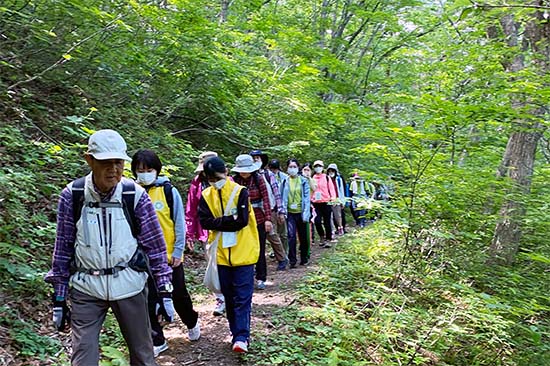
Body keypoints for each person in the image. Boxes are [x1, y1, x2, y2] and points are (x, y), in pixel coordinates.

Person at [45, 129, 175, 365]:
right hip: (86, 288)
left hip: (130, 284)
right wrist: (59, 297)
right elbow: (63, 248)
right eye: (106, 162)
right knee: (82, 358)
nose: (113, 169)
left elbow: (155, 247)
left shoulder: (134, 195)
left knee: (143, 355)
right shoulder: (73, 195)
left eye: (118, 162)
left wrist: (165, 291)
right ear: (89, 160)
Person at [131, 149, 201, 358]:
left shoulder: (168, 192)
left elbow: (179, 223)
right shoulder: (131, 192)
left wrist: (178, 250)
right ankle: (158, 338)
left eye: (148, 169)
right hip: (143, 258)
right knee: (149, 299)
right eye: (140, 170)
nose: (144, 173)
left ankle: (191, 320)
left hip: (169, 256)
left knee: (178, 294)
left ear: (157, 170)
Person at [198, 157, 260, 353]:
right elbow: (204, 221)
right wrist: (227, 220)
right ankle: (236, 334)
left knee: (242, 296)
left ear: (225, 172)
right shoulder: (206, 195)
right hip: (221, 256)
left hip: (244, 253)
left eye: (216, 177)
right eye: (210, 178)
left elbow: (241, 221)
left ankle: (242, 337)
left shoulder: (240, 191)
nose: (214, 181)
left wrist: (218, 221)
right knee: (229, 297)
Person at [186, 151, 226, 316]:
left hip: (226, 229)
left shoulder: (227, 182)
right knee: (212, 264)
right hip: (206, 231)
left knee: (227, 263)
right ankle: (220, 298)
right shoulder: (197, 183)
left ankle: (231, 294)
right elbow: (191, 209)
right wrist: (189, 233)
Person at [232, 154, 272, 290]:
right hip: (241, 220)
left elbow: (266, 199)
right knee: (242, 249)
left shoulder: (258, 179)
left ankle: (261, 277)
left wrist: (268, 219)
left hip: (258, 218)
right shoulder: (234, 181)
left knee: (259, 248)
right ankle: (245, 277)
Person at [250, 150, 288, 270]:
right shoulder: (248, 175)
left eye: (258, 158)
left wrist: (280, 211)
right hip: (252, 211)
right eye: (253, 158)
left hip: (269, 209)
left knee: (272, 235)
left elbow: (276, 193)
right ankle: (256, 264)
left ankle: (282, 258)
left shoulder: (268, 174)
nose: (256, 160)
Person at [280, 159, 311, 267]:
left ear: (298, 168)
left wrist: (306, 213)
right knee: (291, 236)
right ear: (287, 168)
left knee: (303, 237)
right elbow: (281, 196)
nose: (292, 169)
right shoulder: (284, 181)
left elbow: (307, 198)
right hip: (289, 213)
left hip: (301, 212)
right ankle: (292, 260)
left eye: (294, 166)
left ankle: (304, 257)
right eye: (290, 166)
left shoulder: (303, 181)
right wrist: (282, 211)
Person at [267, 158, 289, 259]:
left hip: (281, 208)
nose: (274, 171)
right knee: (273, 233)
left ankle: (285, 252)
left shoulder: (285, 178)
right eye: (272, 169)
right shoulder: (266, 177)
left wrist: (282, 210)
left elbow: (284, 195)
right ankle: (277, 253)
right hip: (272, 209)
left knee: (283, 233)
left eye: (275, 169)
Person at [311, 160, 336, 247]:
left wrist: (333, 199)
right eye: (316, 166)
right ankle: (322, 236)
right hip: (316, 203)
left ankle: (328, 239)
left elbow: (331, 188)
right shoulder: (312, 178)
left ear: (322, 167)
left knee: (327, 222)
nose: (318, 168)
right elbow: (310, 190)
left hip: (326, 202)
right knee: (317, 221)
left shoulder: (326, 177)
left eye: (319, 166)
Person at [326, 163, 346, 236]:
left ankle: (340, 227)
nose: (331, 172)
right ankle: (332, 230)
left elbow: (341, 190)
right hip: (328, 199)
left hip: (337, 198)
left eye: (332, 171)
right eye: (329, 171)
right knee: (329, 216)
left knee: (338, 215)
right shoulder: (326, 178)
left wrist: (342, 201)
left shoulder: (339, 179)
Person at [301, 162, 317, 245]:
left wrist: (309, 178)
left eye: (308, 170)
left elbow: (314, 189)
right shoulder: (299, 179)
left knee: (310, 220)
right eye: (305, 170)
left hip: (310, 203)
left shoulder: (313, 180)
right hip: (300, 203)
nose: (306, 171)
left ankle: (311, 238)